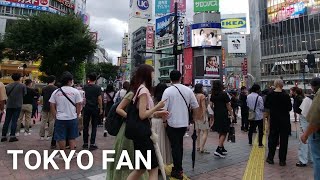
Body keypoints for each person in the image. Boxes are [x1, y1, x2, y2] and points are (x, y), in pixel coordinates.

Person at [127, 65, 168, 180]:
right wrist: (158, 107)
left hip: (139, 134)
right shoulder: (144, 90)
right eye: (152, 73)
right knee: (153, 168)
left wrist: (157, 113)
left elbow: (143, 112)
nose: (153, 75)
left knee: (141, 168)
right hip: (143, 134)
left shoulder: (139, 89)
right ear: (147, 74)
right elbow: (142, 115)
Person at [107, 78, 149, 180]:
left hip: (134, 129)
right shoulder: (132, 94)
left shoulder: (140, 93)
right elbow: (119, 109)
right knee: (128, 155)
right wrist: (131, 118)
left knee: (134, 156)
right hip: (128, 129)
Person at [161, 70, 199, 179]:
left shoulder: (167, 91)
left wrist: (164, 121)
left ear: (170, 78)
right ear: (181, 77)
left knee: (175, 146)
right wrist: (193, 120)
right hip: (184, 123)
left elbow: (163, 109)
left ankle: (178, 170)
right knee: (179, 145)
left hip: (171, 123)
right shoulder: (188, 90)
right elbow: (195, 106)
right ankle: (178, 167)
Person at [49, 72, 82, 156]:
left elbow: (52, 104)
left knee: (61, 137)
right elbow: (79, 104)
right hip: (72, 117)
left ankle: (62, 153)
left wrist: (55, 115)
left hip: (60, 118)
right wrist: (77, 115)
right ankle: (72, 153)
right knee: (72, 136)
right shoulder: (75, 91)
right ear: (70, 81)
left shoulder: (56, 92)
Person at [265, 79, 292, 166]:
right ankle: (282, 160)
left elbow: (266, 106)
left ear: (274, 84)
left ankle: (270, 158)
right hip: (284, 120)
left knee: (272, 139)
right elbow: (289, 108)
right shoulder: (286, 95)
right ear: (282, 85)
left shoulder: (270, 95)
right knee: (284, 140)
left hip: (274, 120)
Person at [301, 77, 320, 179]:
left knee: (317, 158)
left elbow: (315, 119)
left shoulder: (318, 95)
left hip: (318, 132)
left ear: (313, 86)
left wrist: (305, 134)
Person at [210, 80, 234, 158]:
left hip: (217, 114)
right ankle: (218, 149)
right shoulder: (224, 94)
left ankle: (222, 148)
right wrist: (232, 114)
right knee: (224, 131)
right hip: (223, 114)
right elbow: (228, 105)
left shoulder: (213, 94)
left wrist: (215, 110)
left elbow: (210, 105)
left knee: (221, 130)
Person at [1, 73, 26, 142]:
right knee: (14, 120)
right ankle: (12, 135)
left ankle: (3, 135)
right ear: (19, 78)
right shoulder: (22, 86)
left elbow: (6, 94)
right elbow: (24, 94)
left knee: (7, 120)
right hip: (18, 104)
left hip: (9, 104)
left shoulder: (8, 86)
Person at [152, 83, 173, 165]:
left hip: (153, 122)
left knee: (155, 143)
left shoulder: (153, 99)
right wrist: (164, 122)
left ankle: (155, 163)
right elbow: (165, 113)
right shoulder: (165, 100)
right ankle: (162, 162)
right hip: (161, 122)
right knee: (162, 143)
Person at [82, 73, 103, 151]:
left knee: (85, 125)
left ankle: (85, 143)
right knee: (94, 126)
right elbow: (99, 99)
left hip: (86, 108)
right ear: (96, 79)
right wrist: (101, 108)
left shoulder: (85, 87)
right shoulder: (98, 88)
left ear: (88, 78)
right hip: (94, 108)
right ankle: (92, 143)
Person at [296, 86, 314, 167]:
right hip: (316, 123)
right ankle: (312, 158)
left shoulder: (308, 99)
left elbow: (302, 112)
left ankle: (303, 160)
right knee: (314, 140)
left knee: (304, 139)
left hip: (306, 121)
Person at [193, 83, 210, 154]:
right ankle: (202, 148)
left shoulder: (194, 95)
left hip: (195, 116)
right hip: (202, 116)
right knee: (205, 132)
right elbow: (203, 107)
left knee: (198, 132)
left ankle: (198, 146)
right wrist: (205, 117)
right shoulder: (202, 96)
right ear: (200, 88)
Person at [39, 75, 57, 140]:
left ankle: (42, 135)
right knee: (51, 121)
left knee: (43, 121)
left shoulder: (44, 88)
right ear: (54, 81)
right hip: (53, 107)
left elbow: (42, 97)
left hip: (45, 106)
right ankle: (49, 135)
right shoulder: (56, 89)